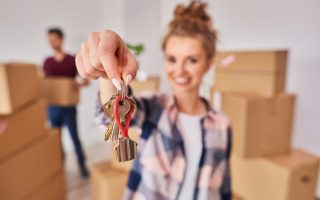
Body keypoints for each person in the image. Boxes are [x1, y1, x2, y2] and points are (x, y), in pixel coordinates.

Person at [76, 1, 232, 199]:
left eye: (192, 60)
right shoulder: (153, 107)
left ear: (208, 64)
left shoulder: (222, 124)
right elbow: (110, 118)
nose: (180, 70)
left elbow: (224, 185)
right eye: (172, 59)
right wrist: (109, 73)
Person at [43, 28, 89, 178]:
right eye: (49, 39)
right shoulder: (47, 62)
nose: (52, 42)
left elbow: (85, 80)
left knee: (74, 137)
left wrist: (79, 85)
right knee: (56, 139)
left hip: (69, 107)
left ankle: (82, 165)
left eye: (54, 39)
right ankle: (59, 166)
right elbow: (43, 83)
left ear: (61, 39)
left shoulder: (72, 60)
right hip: (53, 107)